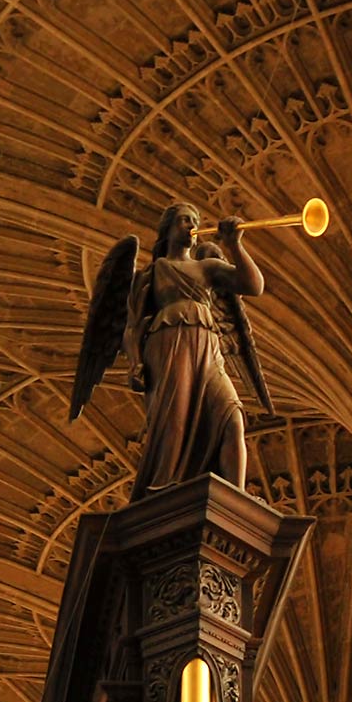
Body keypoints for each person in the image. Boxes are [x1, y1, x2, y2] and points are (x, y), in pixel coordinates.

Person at [123, 203, 264, 492]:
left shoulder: (207, 267)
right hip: (168, 344)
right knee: (175, 419)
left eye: (195, 221)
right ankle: (165, 485)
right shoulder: (155, 272)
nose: (191, 226)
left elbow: (253, 285)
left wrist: (235, 246)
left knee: (231, 417)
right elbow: (133, 325)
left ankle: (235, 496)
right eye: (184, 220)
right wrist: (135, 363)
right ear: (169, 230)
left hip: (208, 346)